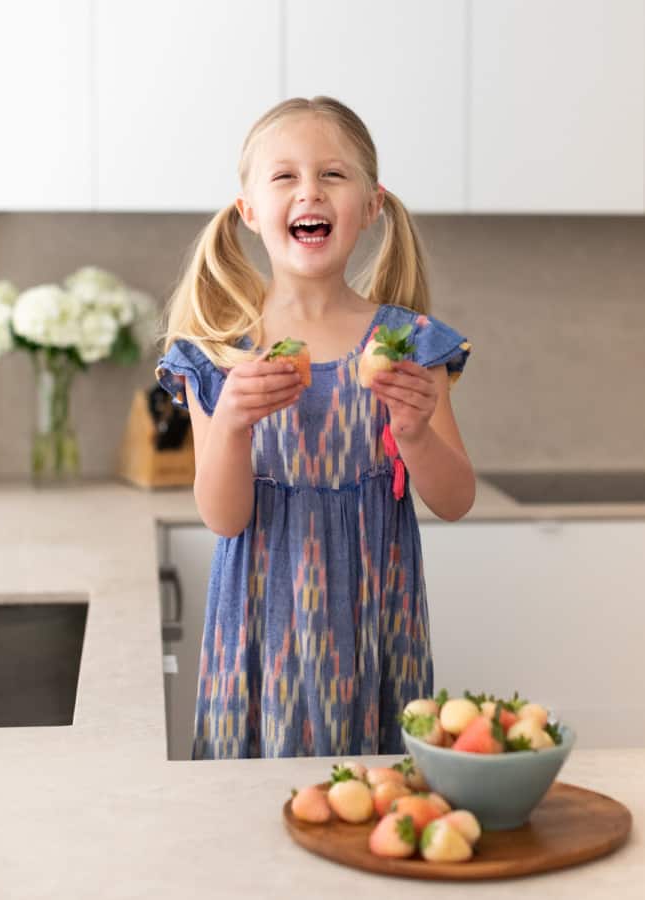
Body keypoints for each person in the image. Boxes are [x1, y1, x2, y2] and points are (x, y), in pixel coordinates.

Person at [155, 96, 475, 760]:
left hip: (374, 623)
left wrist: (413, 432)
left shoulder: (407, 342)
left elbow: (453, 500)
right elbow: (222, 517)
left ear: (370, 204)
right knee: (247, 819)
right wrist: (235, 424)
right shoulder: (219, 350)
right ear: (247, 210)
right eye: (284, 176)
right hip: (256, 626)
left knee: (365, 806)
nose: (310, 191)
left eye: (332, 174)